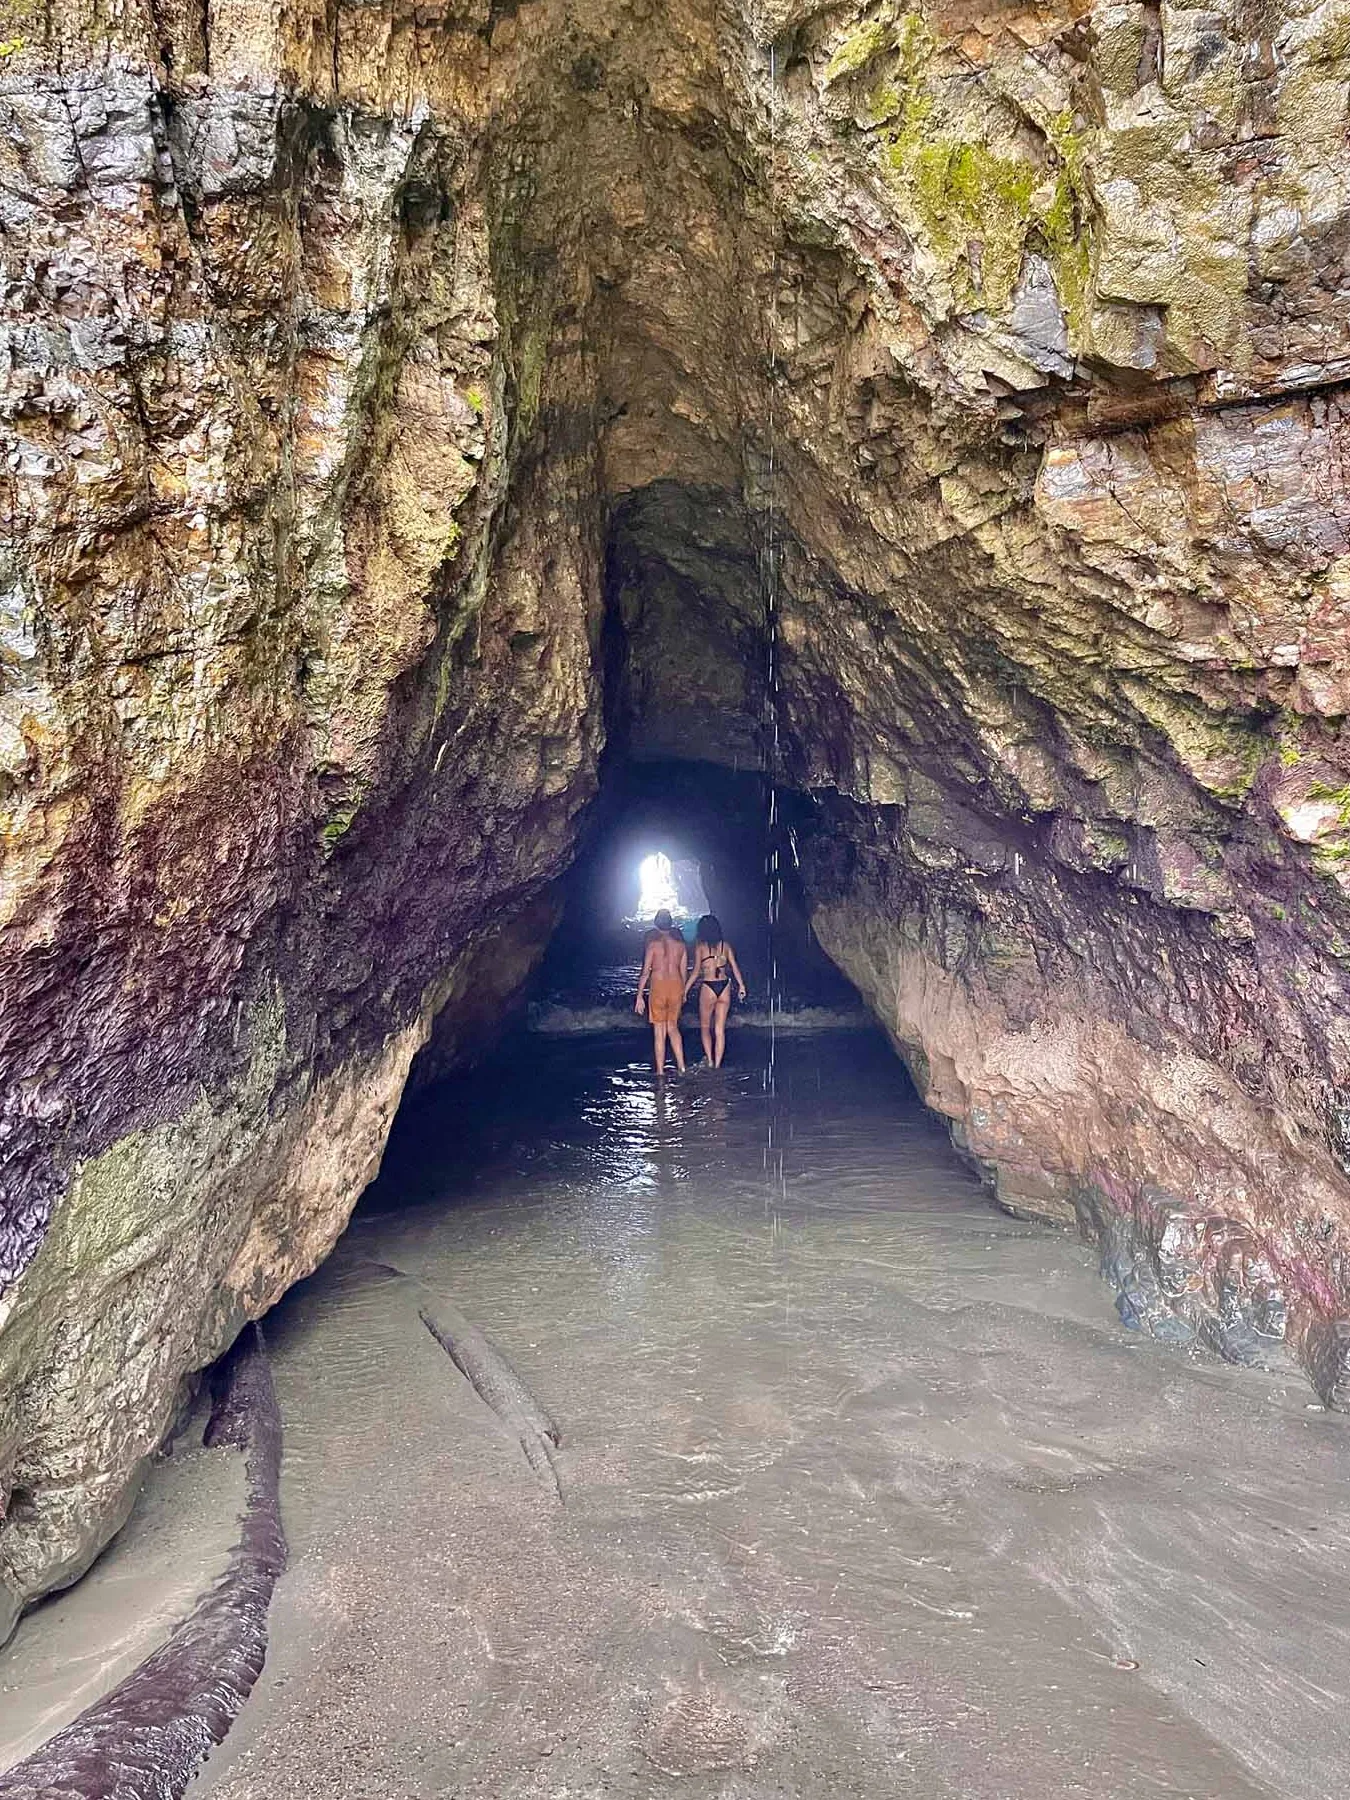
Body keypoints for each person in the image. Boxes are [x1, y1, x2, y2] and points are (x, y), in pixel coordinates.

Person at [684, 913, 746, 1069]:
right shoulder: (726, 946)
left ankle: (710, 1061)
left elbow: (696, 972)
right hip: (724, 986)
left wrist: (684, 991)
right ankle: (717, 1065)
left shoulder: (701, 947)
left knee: (705, 1028)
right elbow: (735, 968)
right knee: (719, 1030)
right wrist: (741, 986)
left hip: (708, 987)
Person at [634, 908, 688, 1076]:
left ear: (656, 924)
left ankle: (660, 1072)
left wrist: (639, 996)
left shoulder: (653, 945)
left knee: (659, 1031)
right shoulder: (681, 946)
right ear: (671, 924)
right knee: (673, 1027)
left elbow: (645, 972)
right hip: (676, 986)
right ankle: (682, 1068)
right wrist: (684, 992)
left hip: (658, 986)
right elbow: (684, 971)